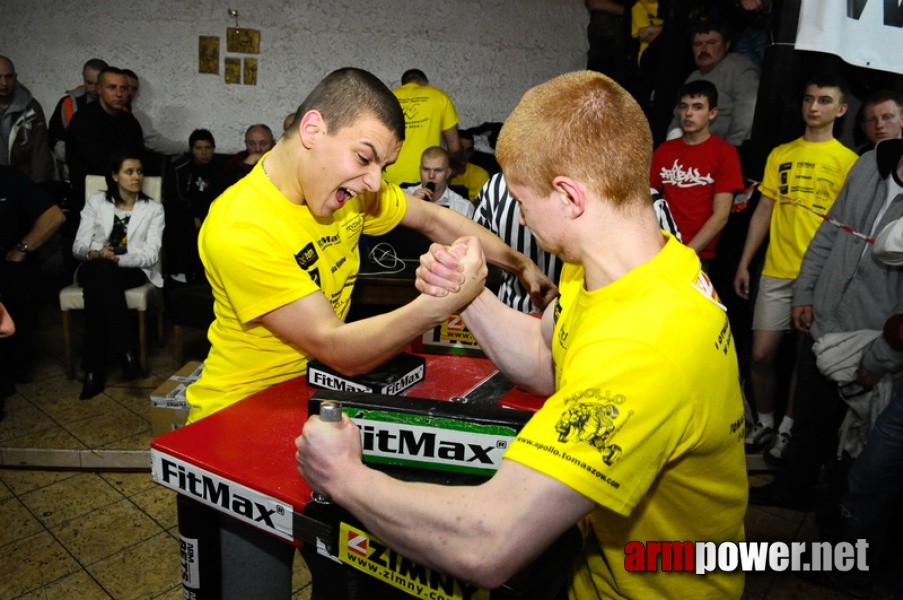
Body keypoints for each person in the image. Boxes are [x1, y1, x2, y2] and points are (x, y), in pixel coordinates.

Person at [297, 70, 747, 599]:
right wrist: (470, 295)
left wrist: (344, 477)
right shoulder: (626, 258)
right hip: (593, 568)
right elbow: (545, 359)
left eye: (521, 199)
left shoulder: (646, 345)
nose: (521, 217)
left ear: (569, 196)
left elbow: (488, 544)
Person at [183, 68, 554, 599]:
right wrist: (443, 304)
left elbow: (435, 221)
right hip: (241, 421)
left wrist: (518, 262)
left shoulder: (349, 191)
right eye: (364, 158)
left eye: (382, 165)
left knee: (348, 579)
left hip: (321, 403)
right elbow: (337, 346)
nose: (375, 182)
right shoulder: (240, 225)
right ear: (312, 130)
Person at [749, 138, 903, 516]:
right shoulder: (870, 163)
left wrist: (882, 355)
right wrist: (805, 292)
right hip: (826, 323)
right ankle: (791, 492)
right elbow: (830, 231)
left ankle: (836, 526)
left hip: (873, 339)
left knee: (854, 444)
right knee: (807, 421)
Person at [735, 75, 858, 464]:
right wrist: (744, 262)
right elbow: (764, 211)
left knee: (806, 363)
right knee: (760, 356)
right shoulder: (781, 153)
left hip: (819, 277)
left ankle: (788, 430)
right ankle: (766, 422)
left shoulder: (849, 162)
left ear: (840, 110)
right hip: (775, 269)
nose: (814, 107)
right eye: (809, 99)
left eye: (824, 100)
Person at [71, 154, 164, 399]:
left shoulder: (153, 209)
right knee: (102, 272)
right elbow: (78, 247)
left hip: (130, 270)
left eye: (140, 171)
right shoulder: (97, 201)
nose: (137, 177)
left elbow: (151, 254)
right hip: (94, 264)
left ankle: (93, 370)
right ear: (114, 176)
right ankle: (127, 352)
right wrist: (96, 253)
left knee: (96, 289)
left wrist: (116, 259)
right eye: (129, 172)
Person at [651, 80, 744, 272]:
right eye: (684, 107)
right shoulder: (665, 150)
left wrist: (687, 253)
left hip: (698, 255)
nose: (689, 113)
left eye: (697, 107)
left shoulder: (725, 153)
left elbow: (721, 215)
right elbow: (645, 199)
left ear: (713, 113)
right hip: (659, 248)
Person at [0, 165, 66, 403]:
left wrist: (22, 249)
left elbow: (54, 216)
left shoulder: (10, 177)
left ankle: (15, 366)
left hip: (11, 264)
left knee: (21, 285)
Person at [666, 18, 760, 147]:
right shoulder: (693, 76)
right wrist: (672, 147)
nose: (703, 49)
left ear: (726, 45)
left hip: (727, 150)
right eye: (698, 44)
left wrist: (727, 149)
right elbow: (678, 117)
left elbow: (748, 113)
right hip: (691, 151)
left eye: (711, 42)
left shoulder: (740, 69)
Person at [66, 67, 145, 208]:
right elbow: (97, 163)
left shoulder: (131, 122)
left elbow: (139, 159)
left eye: (124, 88)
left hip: (126, 196)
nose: (119, 94)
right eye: (112, 87)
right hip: (89, 199)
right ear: (99, 89)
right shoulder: (84, 119)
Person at [163, 129, 226, 283]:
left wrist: (202, 217)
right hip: (185, 216)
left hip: (211, 216)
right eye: (199, 148)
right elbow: (173, 198)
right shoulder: (179, 168)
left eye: (208, 148)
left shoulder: (221, 169)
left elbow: (220, 197)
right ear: (192, 150)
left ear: (213, 149)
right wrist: (191, 218)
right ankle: (178, 274)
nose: (203, 152)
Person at [383, 69, 461, 186]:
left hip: (389, 176)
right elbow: (454, 147)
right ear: (426, 83)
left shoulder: (388, 98)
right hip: (428, 176)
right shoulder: (439, 96)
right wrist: (452, 170)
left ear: (403, 84)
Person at [48, 58, 108, 180]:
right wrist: (70, 156)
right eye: (89, 82)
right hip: (73, 176)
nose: (93, 88)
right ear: (83, 77)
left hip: (107, 176)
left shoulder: (117, 105)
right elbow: (53, 136)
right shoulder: (68, 103)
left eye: (98, 83)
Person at [0, 56, 53, 184]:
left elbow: (40, 152)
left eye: (9, 77)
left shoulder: (31, 108)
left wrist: (36, 190)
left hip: (21, 181)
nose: (4, 83)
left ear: (16, 77)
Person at [122, 69, 185, 156]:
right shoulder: (99, 111)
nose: (129, 92)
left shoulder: (136, 115)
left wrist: (192, 146)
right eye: (125, 87)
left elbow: (156, 143)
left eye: (133, 89)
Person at [403, 146, 474, 218]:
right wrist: (411, 205)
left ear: (448, 172)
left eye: (438, 170)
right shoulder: (403, 197)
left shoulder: (464, 207)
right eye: (426, 169)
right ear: (420, 170)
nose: (431, 176)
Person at [212, 123, 274, 194]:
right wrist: (245, 166)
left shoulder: (281, 162)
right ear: (246, 144)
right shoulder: (237, 160)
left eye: (263, 144)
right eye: (252, 144)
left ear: (272, 143)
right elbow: (226, 189)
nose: (257, 149)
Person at [857, 90, 903, 155]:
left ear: (902, 120)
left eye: (887, 117)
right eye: (871, 120)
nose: (879, 125)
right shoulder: (860, 160)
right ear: (863, 127)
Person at [449, 130, 490, 202]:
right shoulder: (440, 172)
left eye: (468, 150)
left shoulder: (480, 174)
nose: (464, 154)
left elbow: (483, 206)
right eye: (460, 149)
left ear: (472, 152)